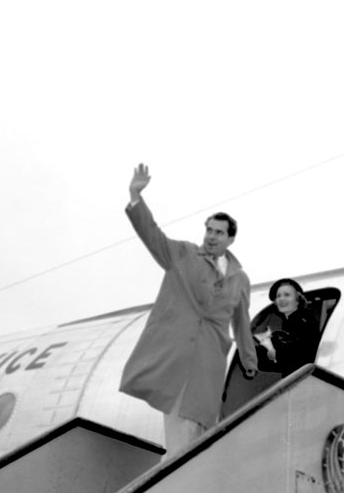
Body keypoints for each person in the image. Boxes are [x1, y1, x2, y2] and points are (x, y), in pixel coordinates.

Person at [120, 163, 258, 451]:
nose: (211, 236)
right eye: (208, 230)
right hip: (177, 357)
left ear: (231, 239)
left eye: (218, 232)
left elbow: (241, 323)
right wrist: (136, 197)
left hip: (209, 362)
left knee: (199, 431)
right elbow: (152, 235)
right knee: (180, 432)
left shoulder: (240, 279)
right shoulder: (183, 254)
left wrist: (249, 362)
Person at [253, 278, 319, 377]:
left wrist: (274, 353)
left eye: (287, 295)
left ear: (298, 299)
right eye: (278, 296)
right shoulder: (291, 322)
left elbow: (298, 354)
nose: (281, 299)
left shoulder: (303, 322)